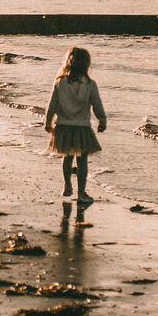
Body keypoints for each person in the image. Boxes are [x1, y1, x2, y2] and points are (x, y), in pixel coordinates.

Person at [45, 45, 106, 205]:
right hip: (82, 127)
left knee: (67, 157)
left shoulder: (60, 82)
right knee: (82, 160)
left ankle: (67, 186)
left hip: (64, 125)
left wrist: (48, 121)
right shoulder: (90, 84)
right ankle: (82, 192)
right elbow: (97, 105)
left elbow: (52, 104)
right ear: (86, 64)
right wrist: (102, 120)